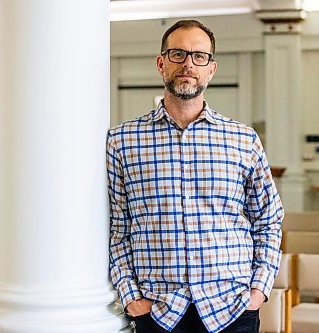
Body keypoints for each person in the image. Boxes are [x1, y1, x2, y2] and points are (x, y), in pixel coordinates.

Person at [106, 19, 284, 333]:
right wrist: (130, 296)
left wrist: (258, 291)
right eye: (178, 54)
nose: (188, 63)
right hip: (158, 311)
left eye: (199, 56)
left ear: (211, 69)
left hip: (231, 309)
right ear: (161, 63)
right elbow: (117, 229)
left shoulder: (243, 140)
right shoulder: (122, 141)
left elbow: (268, 219)